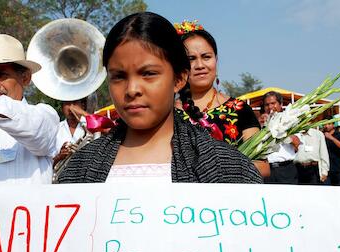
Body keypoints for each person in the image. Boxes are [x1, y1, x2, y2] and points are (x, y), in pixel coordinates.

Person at [58, 12, 262, 184]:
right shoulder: (79, 169)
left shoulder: (227, 168)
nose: (132, 89)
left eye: (148, 73)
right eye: (119, 76)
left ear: (179, 78)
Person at [175, 21, 269, 177]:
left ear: (216, 60)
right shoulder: (168, 115)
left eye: (206, 57)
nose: (200, 65)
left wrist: (216, 170)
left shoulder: (239, 109)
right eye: (191, 59)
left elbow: (263, 166)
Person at [0, 34, 59, 184]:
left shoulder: (45, 117)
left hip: (28, 208)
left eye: (2, 74)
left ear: (25, 78)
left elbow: (34, 129)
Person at [262, 91, 301, 184]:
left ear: (281, 104)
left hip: (286, 169)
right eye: (267, 105)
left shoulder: (290, 121)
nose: (270, 107)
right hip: (267, 170)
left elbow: (297, 143)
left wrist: (281, 130)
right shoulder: (261, 124)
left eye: (273, 103)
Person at [323, 120, 340, 185]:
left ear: (333, 125)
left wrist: (332, 138)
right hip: (325, 168)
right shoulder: (321, 135)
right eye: (325, 124)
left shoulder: (339, 134)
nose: (326, 126)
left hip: (337, 167)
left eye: (329, 124)